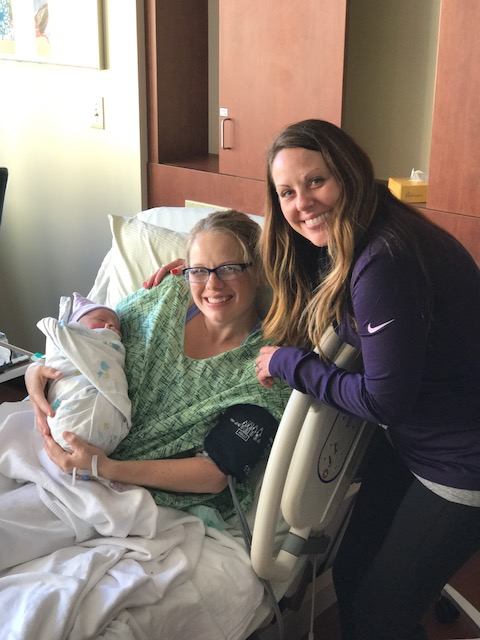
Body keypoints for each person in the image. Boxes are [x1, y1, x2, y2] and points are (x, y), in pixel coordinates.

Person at [253, 119, 480, 640]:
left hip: (460, 463)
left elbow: (384, 402)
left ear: (349, 173)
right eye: (287, 192)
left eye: (316, 181)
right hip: (414, 442)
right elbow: (280, 265)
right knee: (351, 575)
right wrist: (195, 272)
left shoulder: (384, 259)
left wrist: (291, 364)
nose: (303, 203)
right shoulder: (365, 232)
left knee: (380, 616)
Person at [3, 209, 291, 571]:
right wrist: (37, 372)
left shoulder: (266, 370)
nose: (212, 285)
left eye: (229, 268)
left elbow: (215, 474)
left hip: (120, 491)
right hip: (51, 443)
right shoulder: (165, 297)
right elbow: (91, 341)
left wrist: (104, 467)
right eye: (199, 270)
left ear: (259, 270)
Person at [37, 292, 131, 457]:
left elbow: (114, 365)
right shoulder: (70, 335)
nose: (110, 325)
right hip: (70, 402)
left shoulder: (113, 346)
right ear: (76, 324)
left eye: (116, 325)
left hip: (108, 423)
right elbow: (52, 351)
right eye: (101, 319)